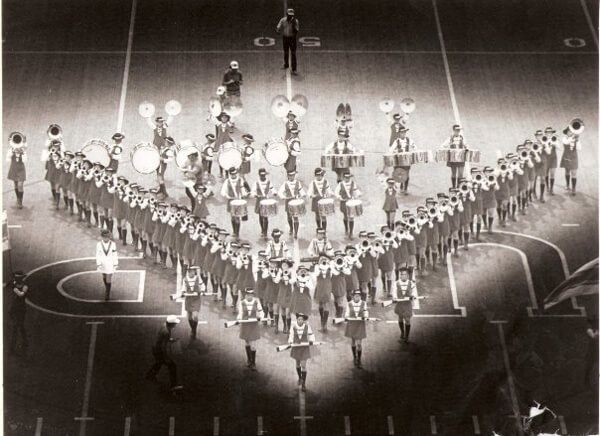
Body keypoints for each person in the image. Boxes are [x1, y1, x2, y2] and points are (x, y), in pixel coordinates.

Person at [145, 315, 182, 392]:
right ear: (171, 324)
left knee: (158, 363)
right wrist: (166, 357)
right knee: (172, 366)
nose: (176, 324)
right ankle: (173, 385)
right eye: (175, 323)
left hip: (155, 348)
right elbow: (163, 347)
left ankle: (150, 375)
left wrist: (170, 340)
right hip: (159, 350)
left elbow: (161, 338)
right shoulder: (167, 332)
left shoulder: (164, 325)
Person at [146, 115, 174, 197]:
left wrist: (171, 113)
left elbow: (169, 120)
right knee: (158, 172)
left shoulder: (165, 126)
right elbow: (149, 123)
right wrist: (147, 115)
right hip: (157, 148)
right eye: (159, 122)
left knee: (160, 175)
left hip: (162, 153)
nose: (161, 123)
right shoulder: (154, 127)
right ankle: (161, 189)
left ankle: (163, 192)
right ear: (157, 122)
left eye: (162, 121)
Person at [237, 288, 264, 370]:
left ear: (253, 295)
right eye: (248, 295)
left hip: (253, 325)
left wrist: (260, 317)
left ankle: (253, 363)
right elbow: (240, 314)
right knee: (247, 343)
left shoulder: (256, 302)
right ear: (245, 295)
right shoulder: (242, 303)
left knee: (253, 345)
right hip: (245, 324)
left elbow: (261, 312)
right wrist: (239, 319)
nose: (249, 296)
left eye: (251, 295)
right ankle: (249, 359)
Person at [174, 266, 203, 341]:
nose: (192, 273)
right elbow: (183, 288)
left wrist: (201, 291)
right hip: (189, 299)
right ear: (188, 272)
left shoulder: (198, 278)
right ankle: (193, 330)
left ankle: (194, 330)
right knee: (189, 317)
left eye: (193, 271)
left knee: (195, 316)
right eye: (191, 271)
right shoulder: (185, 279)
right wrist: (183, 293)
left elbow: (203, 286)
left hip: (196, 299)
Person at [288, 313, 315, 391]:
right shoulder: (293, 326)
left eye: (302, 319)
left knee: (303, 365)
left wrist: (311, 340)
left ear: (304, 320)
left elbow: (311, 334)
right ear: (297, 319)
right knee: (297, 364)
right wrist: (290, 341)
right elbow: (291, 336)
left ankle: (303, 384)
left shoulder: (307, 326)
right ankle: (300, 377)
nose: (300, 321)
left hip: (304, 348)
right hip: (296, 347)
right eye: (299, 319)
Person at [220, 167, 249, 238]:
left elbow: (242, 189)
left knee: (237, 218)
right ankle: (234, 231)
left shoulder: (240, 180)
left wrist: (245, 194)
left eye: (235, 173)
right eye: (232, 174)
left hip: (238, 201)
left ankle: (237, 233)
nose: (234, 175)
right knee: (233, 217)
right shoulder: (227, 181)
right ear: (230, 174)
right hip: (231, 201)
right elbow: (223, 191)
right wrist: (226, 195)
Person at [278, 170, 306, 239]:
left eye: (293, 175)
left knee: (296, 217)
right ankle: (291, 228)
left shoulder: (297, 182)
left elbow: (301, 190)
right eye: (290, 176)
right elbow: (280, 192)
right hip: (288, 202)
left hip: (296, 202)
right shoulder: (285, 183)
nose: (291, 177)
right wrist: (283, 197)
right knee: (289, 217)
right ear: (288, 176)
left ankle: (296, 233)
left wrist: (303, 194)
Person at [392, 267, 418, 342]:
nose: (403, 276)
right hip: (400, 304)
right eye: (401, 274)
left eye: (404, 274)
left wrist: (412, 296)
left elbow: (414, 292)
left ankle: (406, 336)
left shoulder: (411, 283)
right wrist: (394, 298)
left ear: (407, 275)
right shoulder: (396, 283)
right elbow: (394, 291)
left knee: (407, 320)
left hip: (407, 304)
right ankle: (402, 332)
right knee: (400, 318)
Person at [344, 290, 369, 368]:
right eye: (355, 296)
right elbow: (347, 313)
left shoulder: (364, 303)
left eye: (358, 296)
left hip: (360, 325)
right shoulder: (349, 304)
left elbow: (366, 312)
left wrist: (365, 316)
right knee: (353, 341)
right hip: (352, 324)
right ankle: (354, 357)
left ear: (360, 296)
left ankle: (359, 360)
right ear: (353, 296)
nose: (357, 297)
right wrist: (347, 317)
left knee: (359, 344)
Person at [388, 126, 414, 194]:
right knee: (398, 174)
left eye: (404, 132)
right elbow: (391, 150)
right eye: (402, 132)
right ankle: (397, 187)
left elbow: (415, 147)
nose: (403, 134)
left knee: (407, 175)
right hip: (398, 161)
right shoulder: (396, 141)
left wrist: (412, 151)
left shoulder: (409, 140)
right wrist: (396, 150)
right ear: (399, 133)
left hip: (406, 160)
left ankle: (405, 189)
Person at [335, 172, 361, 239]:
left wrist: (358, 194)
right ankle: (346, 229)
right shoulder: (340, 184)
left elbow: (356, 190)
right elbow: (336, 192)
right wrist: (339, 197)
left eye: (348, 177)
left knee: (351, 217)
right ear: (343, 178)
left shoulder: (353, 183)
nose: (347, 179)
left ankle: (351, 233)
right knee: (346, 216)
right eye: (346, 177)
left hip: (351, 202)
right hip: (344, 202)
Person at [252, 168, 277, 238]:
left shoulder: (268, 182)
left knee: (265, 217)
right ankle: (262, 230)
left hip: (266, 200)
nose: (263, 177)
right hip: (259, 200)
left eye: (264, 175)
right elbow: (253, 191)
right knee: (260, 216)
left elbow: (272, 188)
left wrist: (274, 192)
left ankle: (265, 232)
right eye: (261, 175)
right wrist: (254, 194)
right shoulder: (256, 182)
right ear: (259, 175)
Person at [442, 124, 468, 189]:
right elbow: (443, 146)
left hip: (461, 157)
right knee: (454, 173)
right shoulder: (450, 138)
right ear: (453, 130)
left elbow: (466, 145)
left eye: (458, 130)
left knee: (460, 173)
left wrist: (466, 148)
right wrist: (449, 148)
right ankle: (454, 187)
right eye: (456, 130)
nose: (458, 131)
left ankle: (459, 187)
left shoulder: (462, 138)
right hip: (453, 157)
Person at [8, 271, 29, 353]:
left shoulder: (25, 286)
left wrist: (14, 288)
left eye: (17, 278)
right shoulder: (14, 284)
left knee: (16, 327)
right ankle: (25, 341)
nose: (16, 280)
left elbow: (21, 294)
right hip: (15, 308)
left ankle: (12, 347)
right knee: (20, 326)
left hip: (21, 309)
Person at [96, 229, 118, 300]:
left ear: (109, 237)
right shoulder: (99, 244)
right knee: (104, 276)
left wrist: (115, 263)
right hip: (102, 263)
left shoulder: (113, 244)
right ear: (102, 237)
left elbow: (115, 254)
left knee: (108, 278)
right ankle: (107, 287)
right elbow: (98, 255)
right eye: (104, 237)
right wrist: (98, 263)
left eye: (107, 237)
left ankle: (107, 293)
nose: (106, 238)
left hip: (110, 263)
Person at [6, 135, 27, 209]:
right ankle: (18, 198)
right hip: (14, 168)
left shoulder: (23, 150)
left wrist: (22, 153)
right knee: (15, 184)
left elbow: (25, 160)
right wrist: (12, 151)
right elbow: (7, 159)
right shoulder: (11, 150)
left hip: (21, 169)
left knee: (20, 185)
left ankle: (20, 201)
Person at [276, 8, 300, 74]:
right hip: (285, 38)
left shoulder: (295, 21)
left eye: (292, 15)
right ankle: (286, 64)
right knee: (286, 52)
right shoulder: (283, 20)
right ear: (287, 14)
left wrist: (293, 26)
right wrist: (278, 30)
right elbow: (278, 26)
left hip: (292, 39)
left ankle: (294, 69)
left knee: (293, 54)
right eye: (289, 15)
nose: (290, 16)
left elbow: (297, 31)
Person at [561, 126, 581, 196]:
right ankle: (567, 184)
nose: (570, 133)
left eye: (571, 131)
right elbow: (566, 143)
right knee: (567, 171)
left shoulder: (576, 139)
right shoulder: (564, 138)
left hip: (574, 157)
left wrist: (577, 140)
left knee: (574, 173)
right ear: (566, 133)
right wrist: (572, 138)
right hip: (566, 156)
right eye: (569, 131)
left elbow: (579, 148)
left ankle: (573, 188)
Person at [583, 317, 598, 387]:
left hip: (596, 351)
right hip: (593, 351)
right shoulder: (589, 330)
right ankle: (586, 380)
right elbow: (594, 337)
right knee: (590, 366)